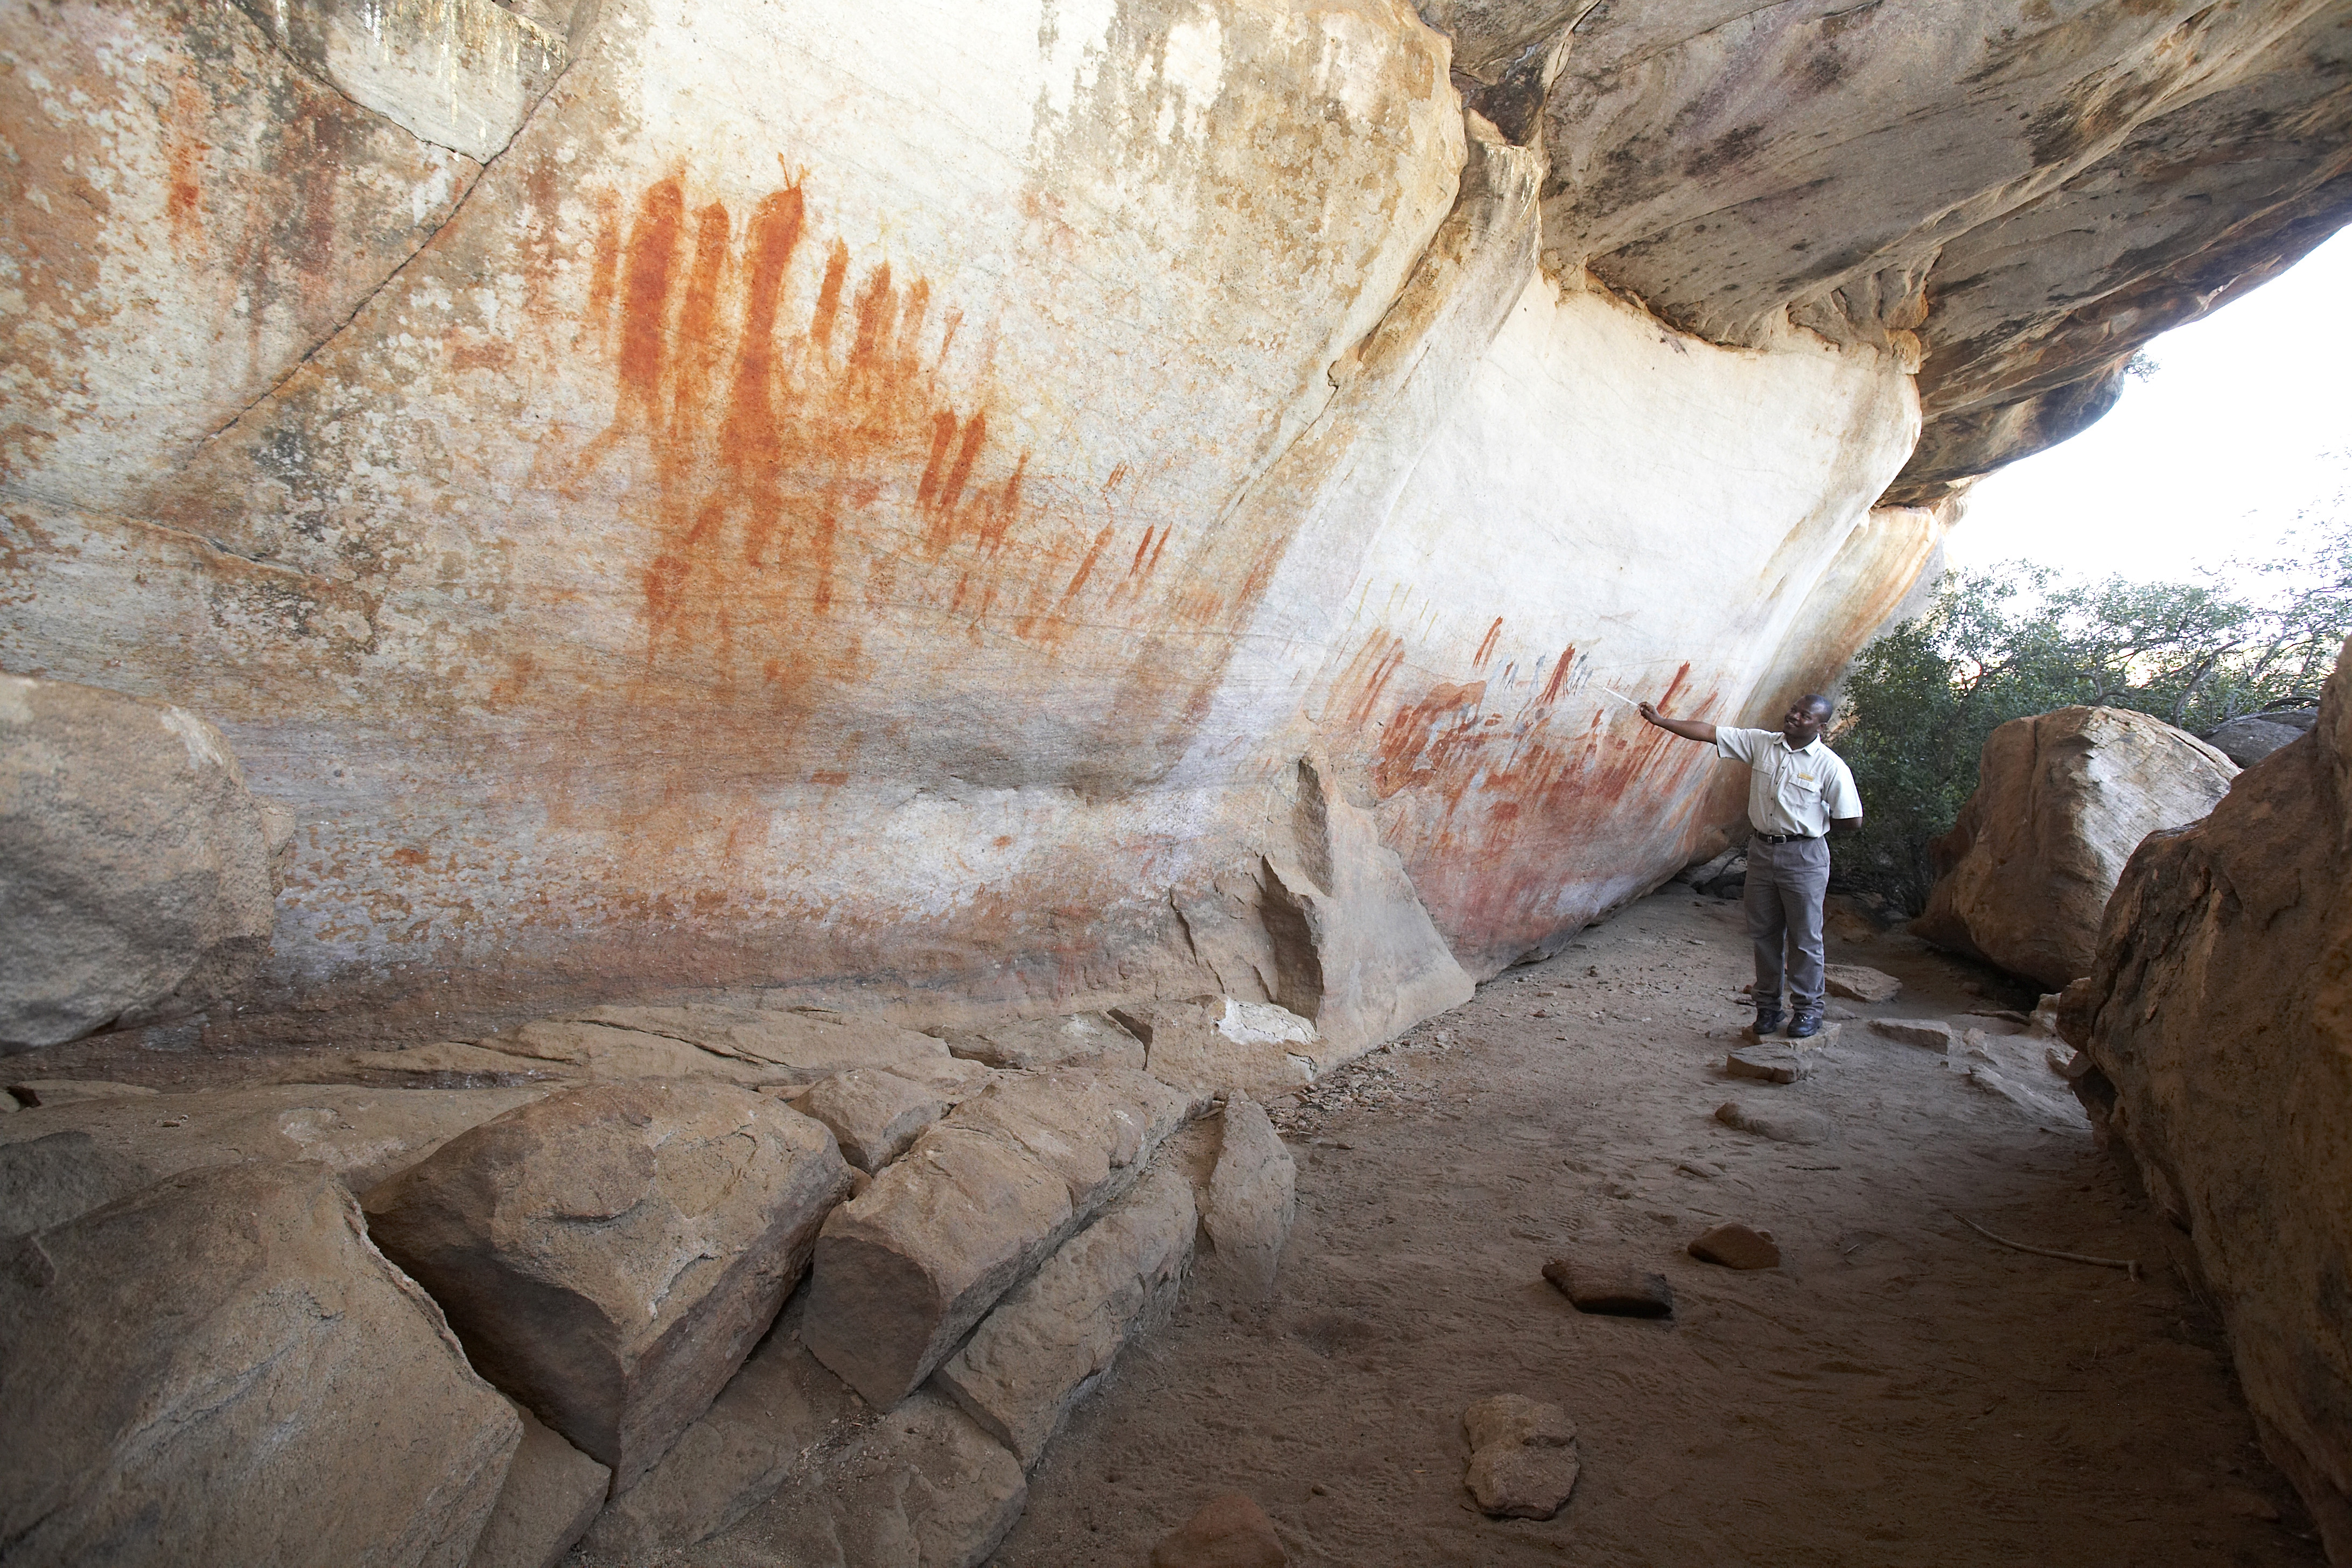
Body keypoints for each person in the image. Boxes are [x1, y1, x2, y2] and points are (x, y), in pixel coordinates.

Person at [1637, 693, 1862, 1039]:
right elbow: (1709, 732)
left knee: (1805, 938)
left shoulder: (1830, 766)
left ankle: (1808, 1011)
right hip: (1761, 852)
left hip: (1804, 856)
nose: (1793, 716)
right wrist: (1662, 721)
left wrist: (1811, 821)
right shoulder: (1762, 743)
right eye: (1793, 709)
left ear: (1821, 726)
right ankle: (1769, 1009)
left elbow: (1852, 820)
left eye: (1804, 716)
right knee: (1764, 934)